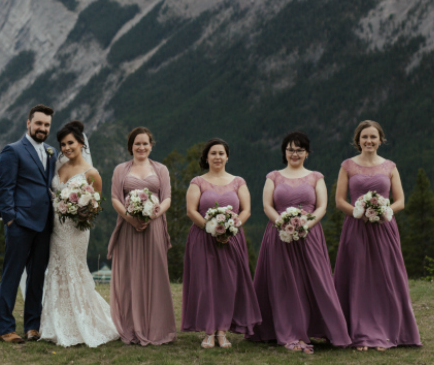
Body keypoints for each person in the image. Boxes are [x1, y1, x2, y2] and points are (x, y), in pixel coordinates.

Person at [246, 132, 351, 353]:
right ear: (284, 152)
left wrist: (305, 225)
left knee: (316, 281)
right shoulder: (273, 177)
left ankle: (327, 329)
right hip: (279, 236)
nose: (295, 153)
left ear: (307, 152)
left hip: (309, 235)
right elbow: (267, 206)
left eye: (299, 149)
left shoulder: (316, 177)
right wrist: (283, 223)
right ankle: (289, 332)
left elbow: (322, 206)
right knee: (283, 284)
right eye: (291, 149)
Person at [333, 120, 421, 350]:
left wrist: (383, 210)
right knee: (358, 278)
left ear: (381, 140)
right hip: (356, 228)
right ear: (358, 141)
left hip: (384, 229)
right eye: (364, 137)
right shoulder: (347, 166)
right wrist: (359, 212)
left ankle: (387, 333)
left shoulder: (390, 167)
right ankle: (360, 334)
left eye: (373, 137)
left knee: (386, 279)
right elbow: (339, 200)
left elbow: (401, 200)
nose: (369, 141)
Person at [39, 121, 120, 347]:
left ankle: (83, 322)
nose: (66, 147)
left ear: (81, 143)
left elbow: (95, 207)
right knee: (56, 270)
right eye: (63, 144)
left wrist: (78, 211)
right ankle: (56, 323)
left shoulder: (91, 173)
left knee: (74, 269)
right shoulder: (59, 166)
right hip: (55, 227)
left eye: (70, 143)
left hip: (75, 231)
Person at [181, 139, 261, 349]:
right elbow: (191, 211)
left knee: (228, 285)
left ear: (227, 157)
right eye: (213, 153)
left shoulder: (238, 182)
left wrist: (231, 227)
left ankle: (223, 331)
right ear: (206, 157)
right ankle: (208, 331)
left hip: (231, 240)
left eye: (221, 153)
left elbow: (246, 210)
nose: (217, 157)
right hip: (202, 238)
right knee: (206, 285)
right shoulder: (198, 182)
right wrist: (211, 229)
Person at [107, 127, 176, 345]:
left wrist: (155, 212)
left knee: (156, 273)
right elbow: (116, 198)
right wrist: (130, 217)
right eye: (137, 143)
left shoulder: (161, 169)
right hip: (129, 227)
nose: (141, 147)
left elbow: (166, 198)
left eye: (145, 143)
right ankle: (130, 324)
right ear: (131, 146)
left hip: (154, 225)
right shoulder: (121, 170)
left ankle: (156, 326)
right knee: (130, 274)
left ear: (151, 145)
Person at [0, 104, 56, 343]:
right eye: (39, 123)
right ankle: (6, 328)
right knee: (12, 275)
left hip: (44, 225)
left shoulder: (51, 151)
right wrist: (10, 219)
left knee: (37, 277)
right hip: (20, 224)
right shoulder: (13, 150)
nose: (42, 128)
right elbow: (5, 187)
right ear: (28, 123)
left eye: (47, 125)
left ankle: (32, 325)